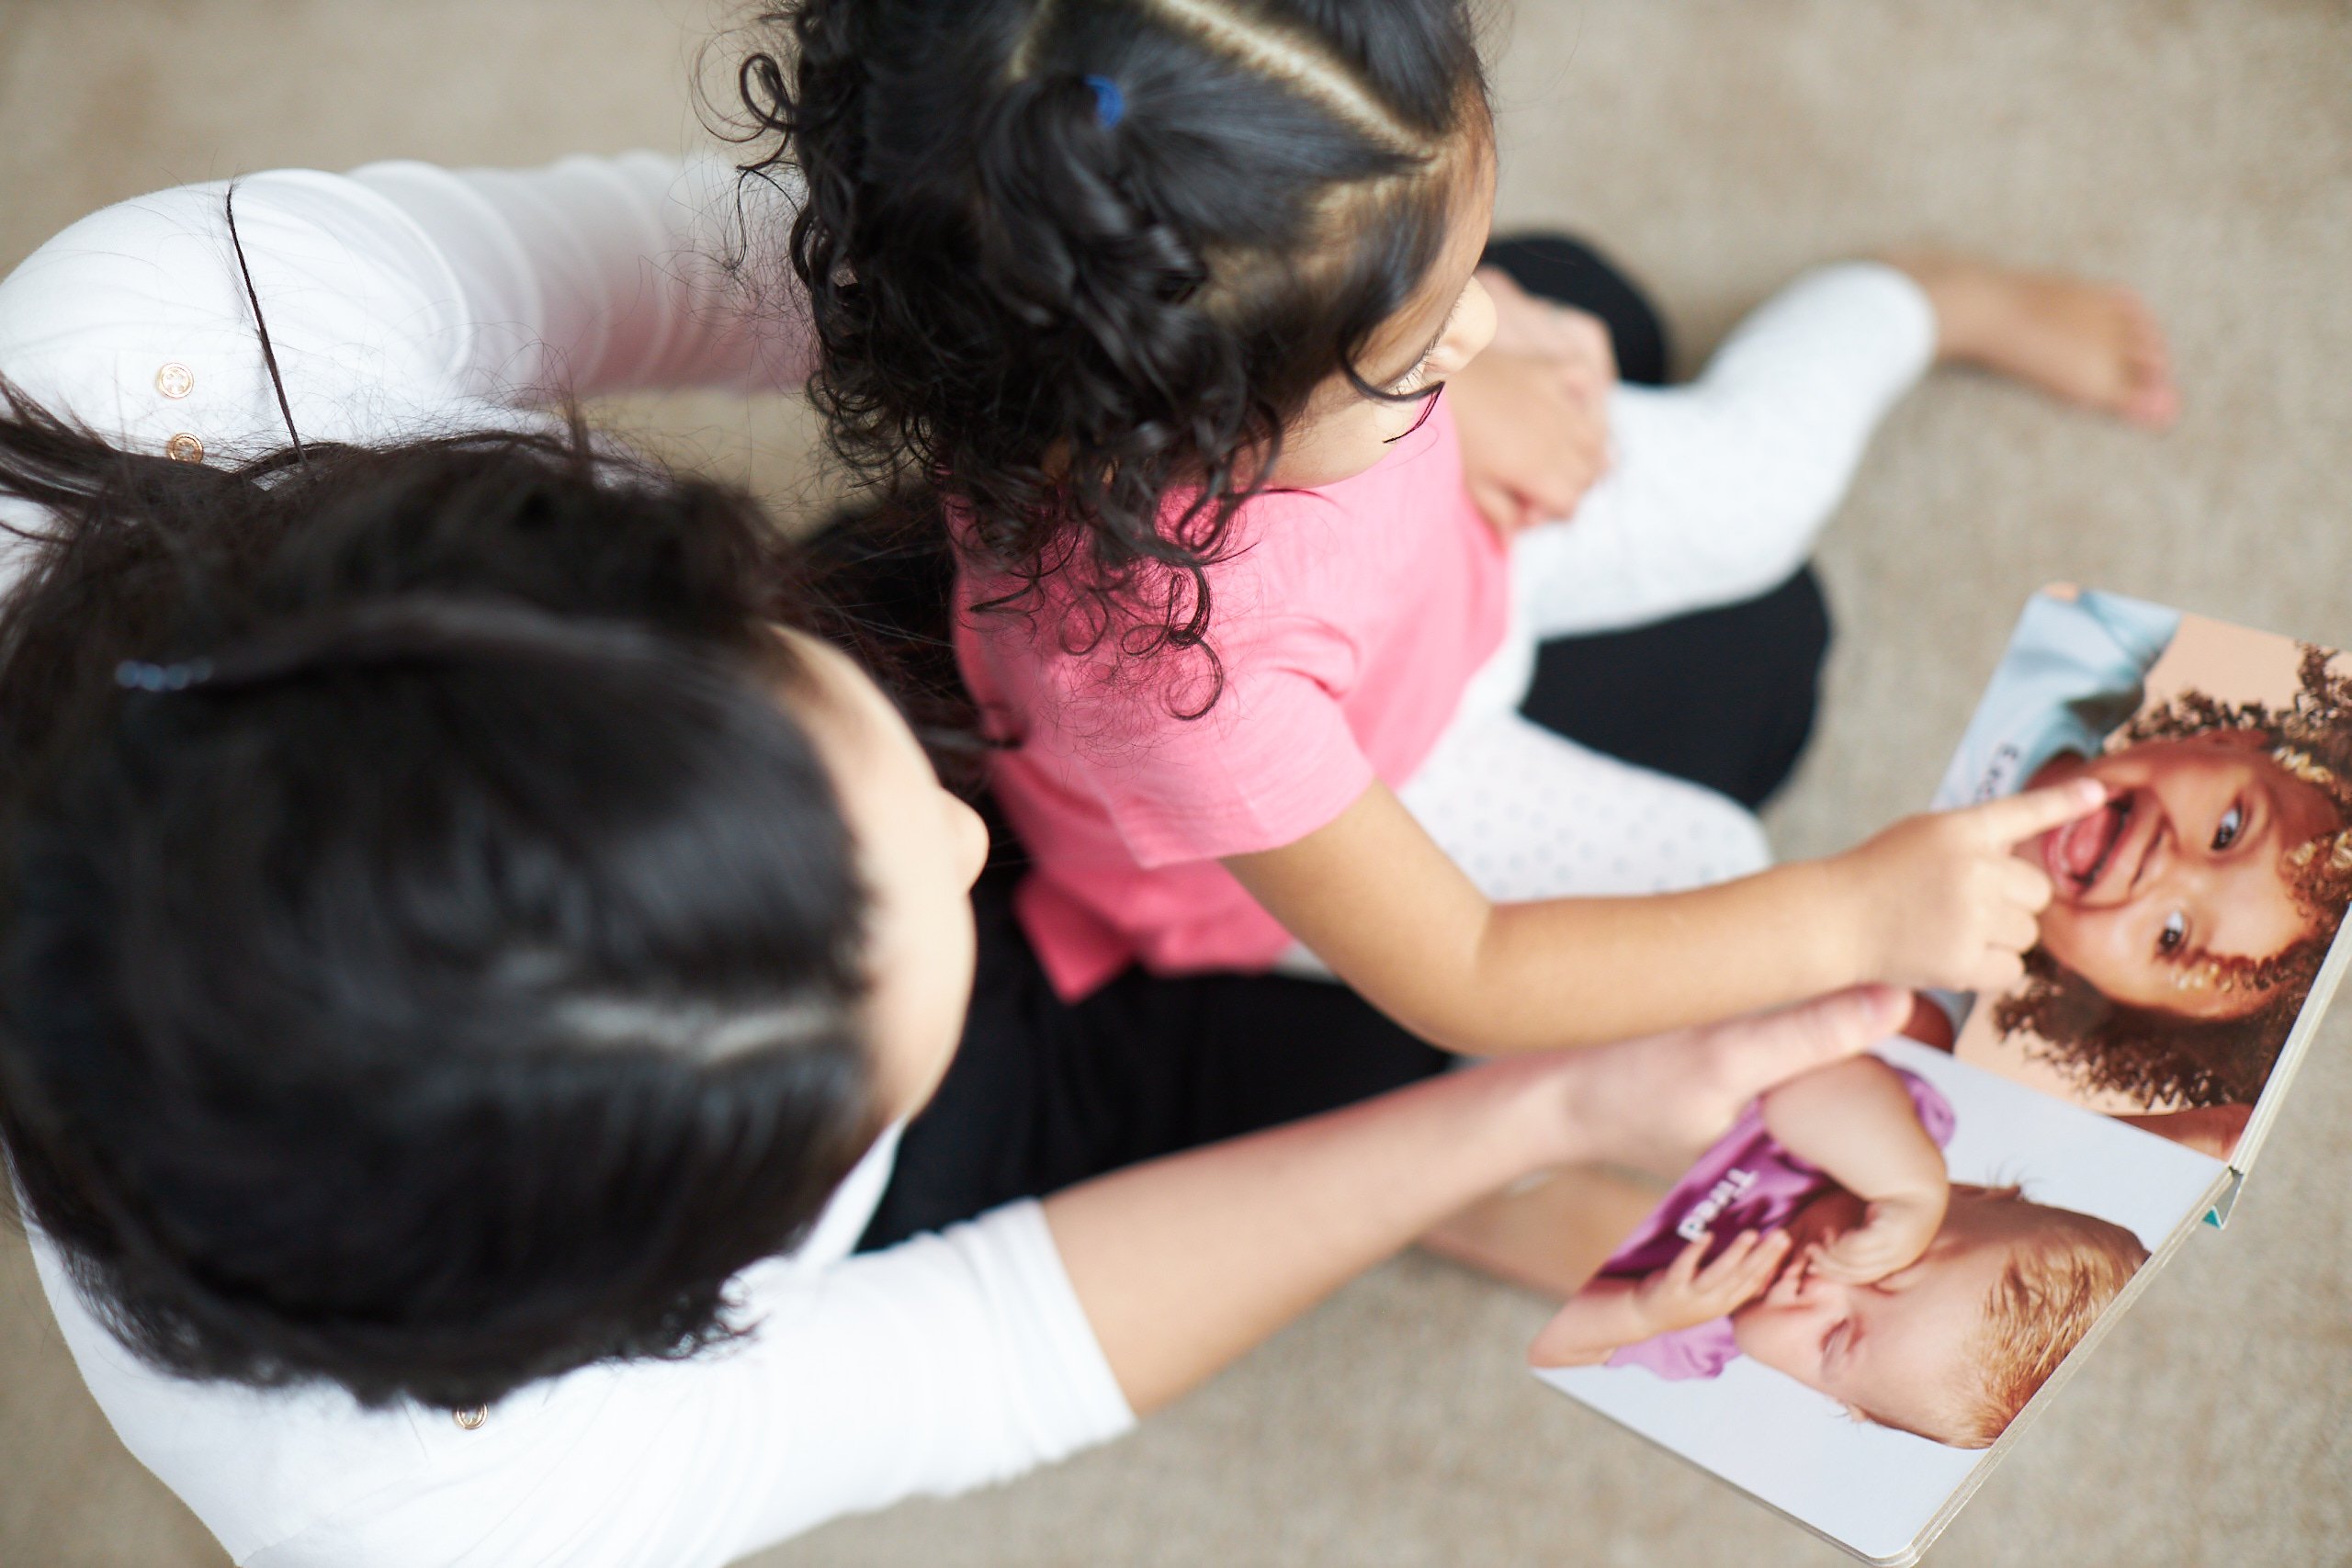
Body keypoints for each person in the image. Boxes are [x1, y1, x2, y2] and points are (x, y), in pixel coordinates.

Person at [0, 157, 1911, 1567]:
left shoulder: (176, 348)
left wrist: (1332, 371)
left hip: (1002, 651)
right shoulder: (428, 1503)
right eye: (895, 985)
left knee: (1547, 319)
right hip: (1004, 1091)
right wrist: (1531, 1106)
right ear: (691, 1274)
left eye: (811, 703)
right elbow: (989, 1344)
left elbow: (898, 270)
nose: (964, 821)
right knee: (1747, 687)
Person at [754, 0, 2167, 1058]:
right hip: (1388, 760)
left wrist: (1444, 375)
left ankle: (1914, 295)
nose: (1482, 319)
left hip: (1442, 564)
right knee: (1717, 875)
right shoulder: (1168, 679)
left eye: (1463, 264)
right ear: (1175, 436)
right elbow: (1470, 966)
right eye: (1412, 343)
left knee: (1757, 495)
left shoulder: (1217, 306)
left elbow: (1381, 317)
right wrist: (1853, 916)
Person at [1528, 1056, 2148, 1450]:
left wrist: (1640, 1312)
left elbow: (1557, 1347)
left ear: (1841, 1402)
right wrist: (1907, 1188)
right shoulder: (1891, 1140)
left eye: (1833, 1338)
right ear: (1962, 1192)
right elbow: (1803, 1093)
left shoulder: (1695, 1335)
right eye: (1891, 1259)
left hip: (1542, 1132)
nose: (1823, 1280)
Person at [1928, 586, 2352, 1156]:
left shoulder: (1920, 990)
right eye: (2228, 829)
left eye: (2172, 938)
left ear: (2095, 991)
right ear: (2227, 742)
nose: (2163, 868)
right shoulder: (2096, 641)